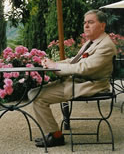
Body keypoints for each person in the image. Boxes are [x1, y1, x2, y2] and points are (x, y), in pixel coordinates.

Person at [29, 10, 117, 147]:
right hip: (78, 82)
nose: (86, 26)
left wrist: (56, 66)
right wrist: (53, 64)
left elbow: (84, 68)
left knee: (36, 96)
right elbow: (74, 61)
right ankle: (53, 134)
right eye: (85, 23)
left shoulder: (106, 45)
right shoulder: (92, 43)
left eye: (91, 22)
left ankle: (56, 136)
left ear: (102, 26)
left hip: (90, 85)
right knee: (33, 93)